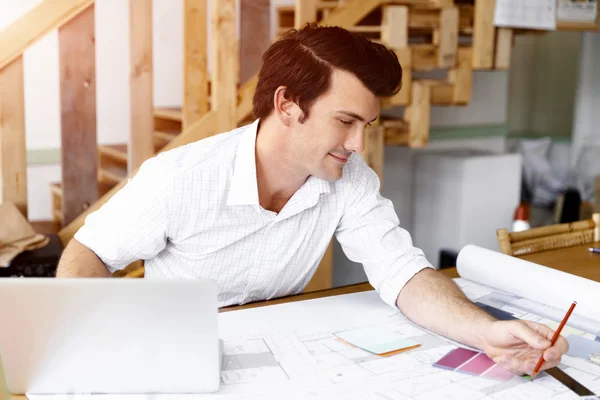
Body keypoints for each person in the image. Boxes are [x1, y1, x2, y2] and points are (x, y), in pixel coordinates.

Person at [57, 24, 567, 375]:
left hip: (279, 351)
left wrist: (486, 331)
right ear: (287, 105)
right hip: (175, 354)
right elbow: (89, 254)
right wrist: (106, 342)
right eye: (345, 122)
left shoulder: (351, 178)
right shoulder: (179, 177)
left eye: (365, 126)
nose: (357, 145)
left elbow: (403, 273)